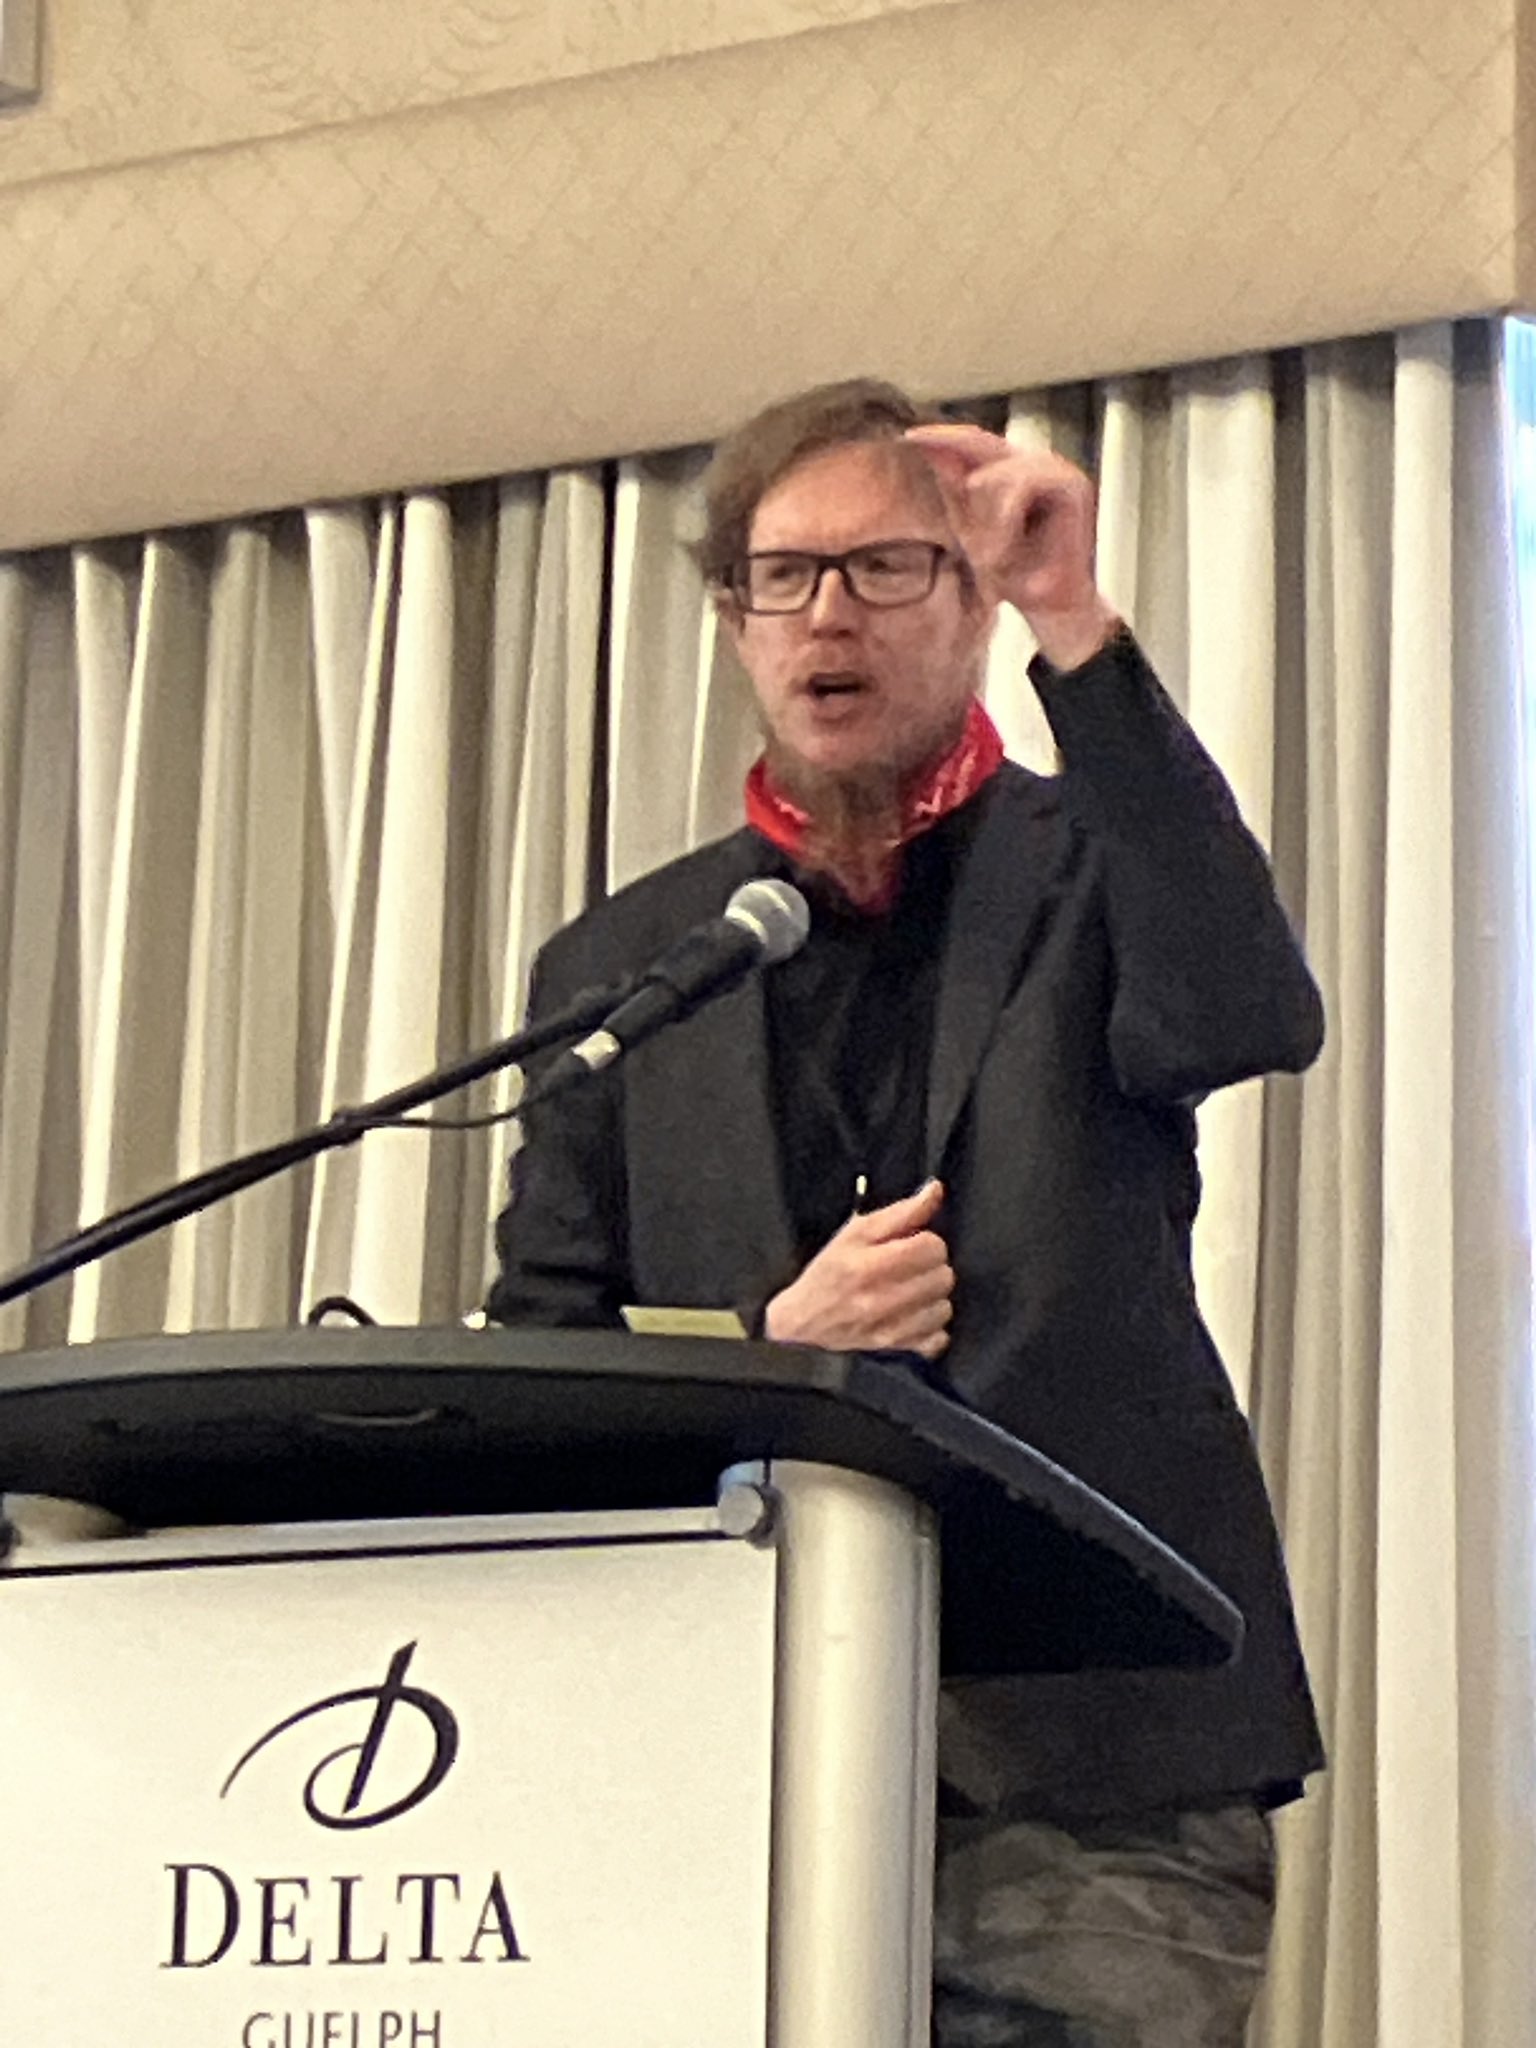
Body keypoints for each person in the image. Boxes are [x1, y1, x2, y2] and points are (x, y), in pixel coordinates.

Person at [487, 379, 1325, 2046]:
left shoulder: (1093, 868)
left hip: (1102, 1765)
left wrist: (1074, 619)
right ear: (732, 621)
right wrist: (768, 1351)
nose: (826, 616)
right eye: (779, 577)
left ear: (968, 601)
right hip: (740, 1754)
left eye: (882, 568)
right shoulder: (624, 965)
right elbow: (545, 1360)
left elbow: (1246, 1015)